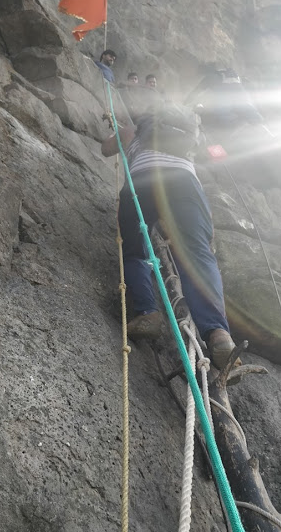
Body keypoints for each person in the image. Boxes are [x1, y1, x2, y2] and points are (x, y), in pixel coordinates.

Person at [101, 110, 239, 371]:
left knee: (133, 250)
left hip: (142, 177)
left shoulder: (135, 130)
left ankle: (148, 314)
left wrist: (117, 133)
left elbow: (106, 149)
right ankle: (219, 334)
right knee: (198, 254)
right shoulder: (186, 135)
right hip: (184, 180)